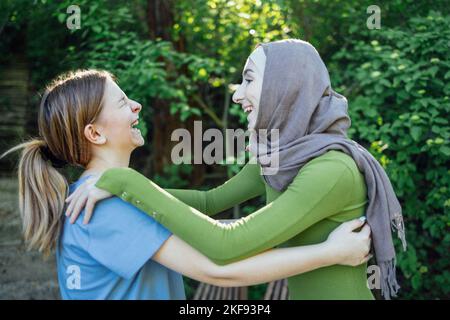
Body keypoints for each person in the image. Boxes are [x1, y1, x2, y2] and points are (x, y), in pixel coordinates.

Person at [67, 39, 406, 300]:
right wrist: (119, 195)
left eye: (248, 80)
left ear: (283, 87)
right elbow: (207, 202)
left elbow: (227, 246)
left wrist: (123, 181)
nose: (237, 94)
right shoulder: (277, 157)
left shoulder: (332, 170)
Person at [2, 69, 371, 300]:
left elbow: (207, 207)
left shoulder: (111, 191)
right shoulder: (110, 204)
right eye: (122, 102)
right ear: (95, 132)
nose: (137, 106)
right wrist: (332, 252)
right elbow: (218, 270)